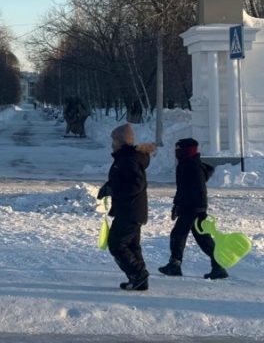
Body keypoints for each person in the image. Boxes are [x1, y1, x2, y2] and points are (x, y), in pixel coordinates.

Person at [158, 138, 228, 280]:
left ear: (186, 151)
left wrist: (199, 209)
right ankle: (218, 266)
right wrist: (176, 205)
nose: (176, 152)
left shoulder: (192, 166)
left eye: (179, 149)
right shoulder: (186, 164)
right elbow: (182, 189)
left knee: (179, 235)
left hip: (193, 208)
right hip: (189, 207)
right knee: (202, 238)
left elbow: (199, 190)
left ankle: (175, 265)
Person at [97, 123, 155, 291]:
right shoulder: (126, 158)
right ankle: (139, 280)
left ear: (120, 141)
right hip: (131, 210)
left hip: (130, 211)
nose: (112, 144)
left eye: (114, 140)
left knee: (116, 244)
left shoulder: (128, 159)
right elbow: (123, 180)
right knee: (131, 246)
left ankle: (138, 274)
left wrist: (113, 188)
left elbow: (136, 185)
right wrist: (109, 186)